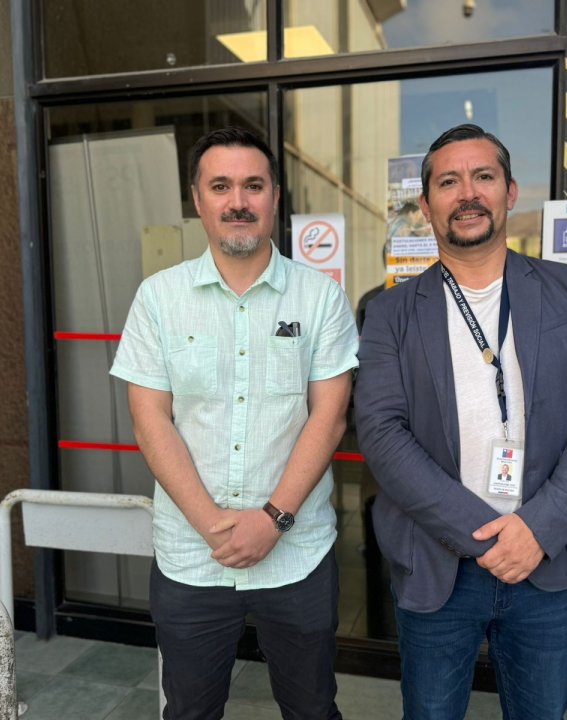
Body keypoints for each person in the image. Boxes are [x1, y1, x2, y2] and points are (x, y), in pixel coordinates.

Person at [354, 124, 567, 719]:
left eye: (483, 176)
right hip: (437, 566)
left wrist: (536, 530)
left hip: (543, 560)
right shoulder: (390, 312)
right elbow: (380, 430)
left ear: (510, 190)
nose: (468, 193)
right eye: (448, 182)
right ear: (426, 204)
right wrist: (485, 535)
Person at [110, 126, 358, 720]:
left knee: (312, 709)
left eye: (253, 185)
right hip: (191, 557)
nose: (238, 201)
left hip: (297, 553)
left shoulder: (320, 297)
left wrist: (272, 521)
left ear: (275, 197)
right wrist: (214, 527)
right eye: (220, 186)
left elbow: (329, 417)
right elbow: (150, 420)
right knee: (190, 712)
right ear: (197, 200)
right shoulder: (158, 298)